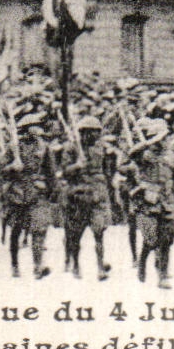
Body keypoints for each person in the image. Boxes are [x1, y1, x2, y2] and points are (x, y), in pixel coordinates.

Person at [127, 117, 174, 289]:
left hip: (167, 201)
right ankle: (143, 260)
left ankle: (162, 275)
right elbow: (132, 154)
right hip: (148, 203)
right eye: (162, 137)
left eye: (166, 137)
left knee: (166, 239)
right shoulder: (144, 155)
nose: (165, 140)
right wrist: (150, 142)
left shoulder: (172, 156)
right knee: (151, 239)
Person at [3, 108, 55, 278]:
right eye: (34, 126)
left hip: (38, 192)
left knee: (39, 229)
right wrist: (12, 166)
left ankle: (38, 265)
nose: (38, 129)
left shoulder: (44, 147)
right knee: (16, 229)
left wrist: (52, 191)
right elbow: (1, 169)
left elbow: (51, 171)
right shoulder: (14, 147)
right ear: (26, 128)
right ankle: (14, 264)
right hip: (18, 192)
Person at [61, 114, 114, 280]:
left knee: (99, 231)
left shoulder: (102, 149)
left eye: (97, 132)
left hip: (98, 194)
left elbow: (108, 170)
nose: (94, 136)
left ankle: (100, 267)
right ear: (83, 132)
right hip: (78, 195)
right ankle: (75, 264)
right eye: (91, 132)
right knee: (76, 234)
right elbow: (64, 172)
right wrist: (77, 165)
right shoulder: (71, 148)